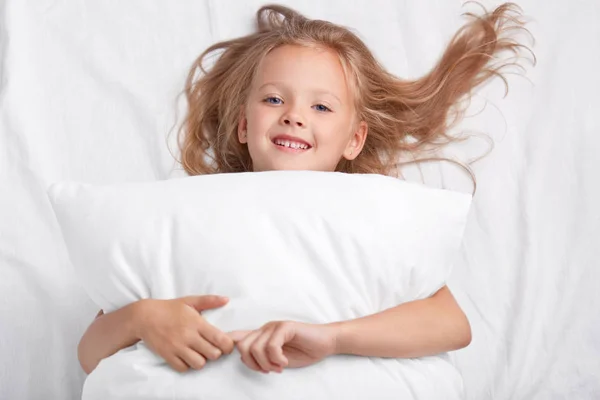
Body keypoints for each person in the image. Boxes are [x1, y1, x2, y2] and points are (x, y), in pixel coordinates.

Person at [78, 3, 531, 375]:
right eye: (274, 99)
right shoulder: (191, 211)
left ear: (355, 139)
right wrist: (142, 319)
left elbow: (451, 324)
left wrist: (333, 337)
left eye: (321, 106)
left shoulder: (371, 212)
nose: (295, 115)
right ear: (243, 125)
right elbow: (88, 353)